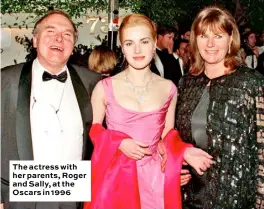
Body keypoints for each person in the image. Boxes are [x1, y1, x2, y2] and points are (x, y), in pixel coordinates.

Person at [84, 13, 213, 209]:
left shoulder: (169, 88)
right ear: (122, 48)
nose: (137, 50)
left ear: (154, 43)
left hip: (154, 180)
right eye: (129, 43)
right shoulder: (105, 87)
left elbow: (168, 136)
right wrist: (119, 142)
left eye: (143, 41)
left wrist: (182, 153)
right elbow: (94, 130)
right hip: (116, 179)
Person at [1, 10, 101, 209]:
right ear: (35, 40)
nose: (59, 38)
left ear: (73, 46)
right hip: (21, 194)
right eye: (50, 31)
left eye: (67, 34)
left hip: (74, 193)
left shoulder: (94, 83)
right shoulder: (5, 80)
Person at [175, 6, 264, 209]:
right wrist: (180, 156)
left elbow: (261, 149)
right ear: (195, 40)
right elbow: (173, 136)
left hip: (236, 198)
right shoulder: (186, 83)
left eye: (218, 36)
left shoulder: (251, 83)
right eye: (204, 36)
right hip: (191, 196)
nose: (211, 44)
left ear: (230, 38)